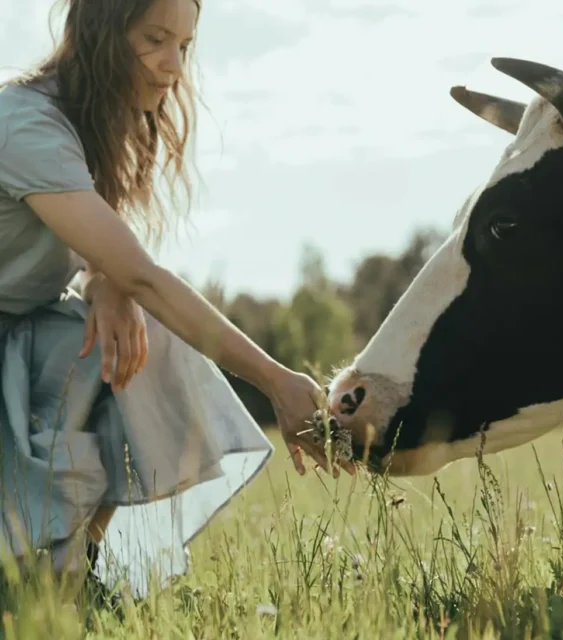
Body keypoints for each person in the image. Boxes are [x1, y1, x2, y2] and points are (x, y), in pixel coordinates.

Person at [0, 0, 353, 599]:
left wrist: (106, 284)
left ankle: (75, 568)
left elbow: (107, 261)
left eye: (183, 47)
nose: (172, 66)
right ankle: (42, 574)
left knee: (143, 341)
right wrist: (274, 379)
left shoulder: (83, 125)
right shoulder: (24, 125)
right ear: (102, 35)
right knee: (149, 319)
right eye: (155, 39)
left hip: (22, 336)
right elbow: (142, 273)